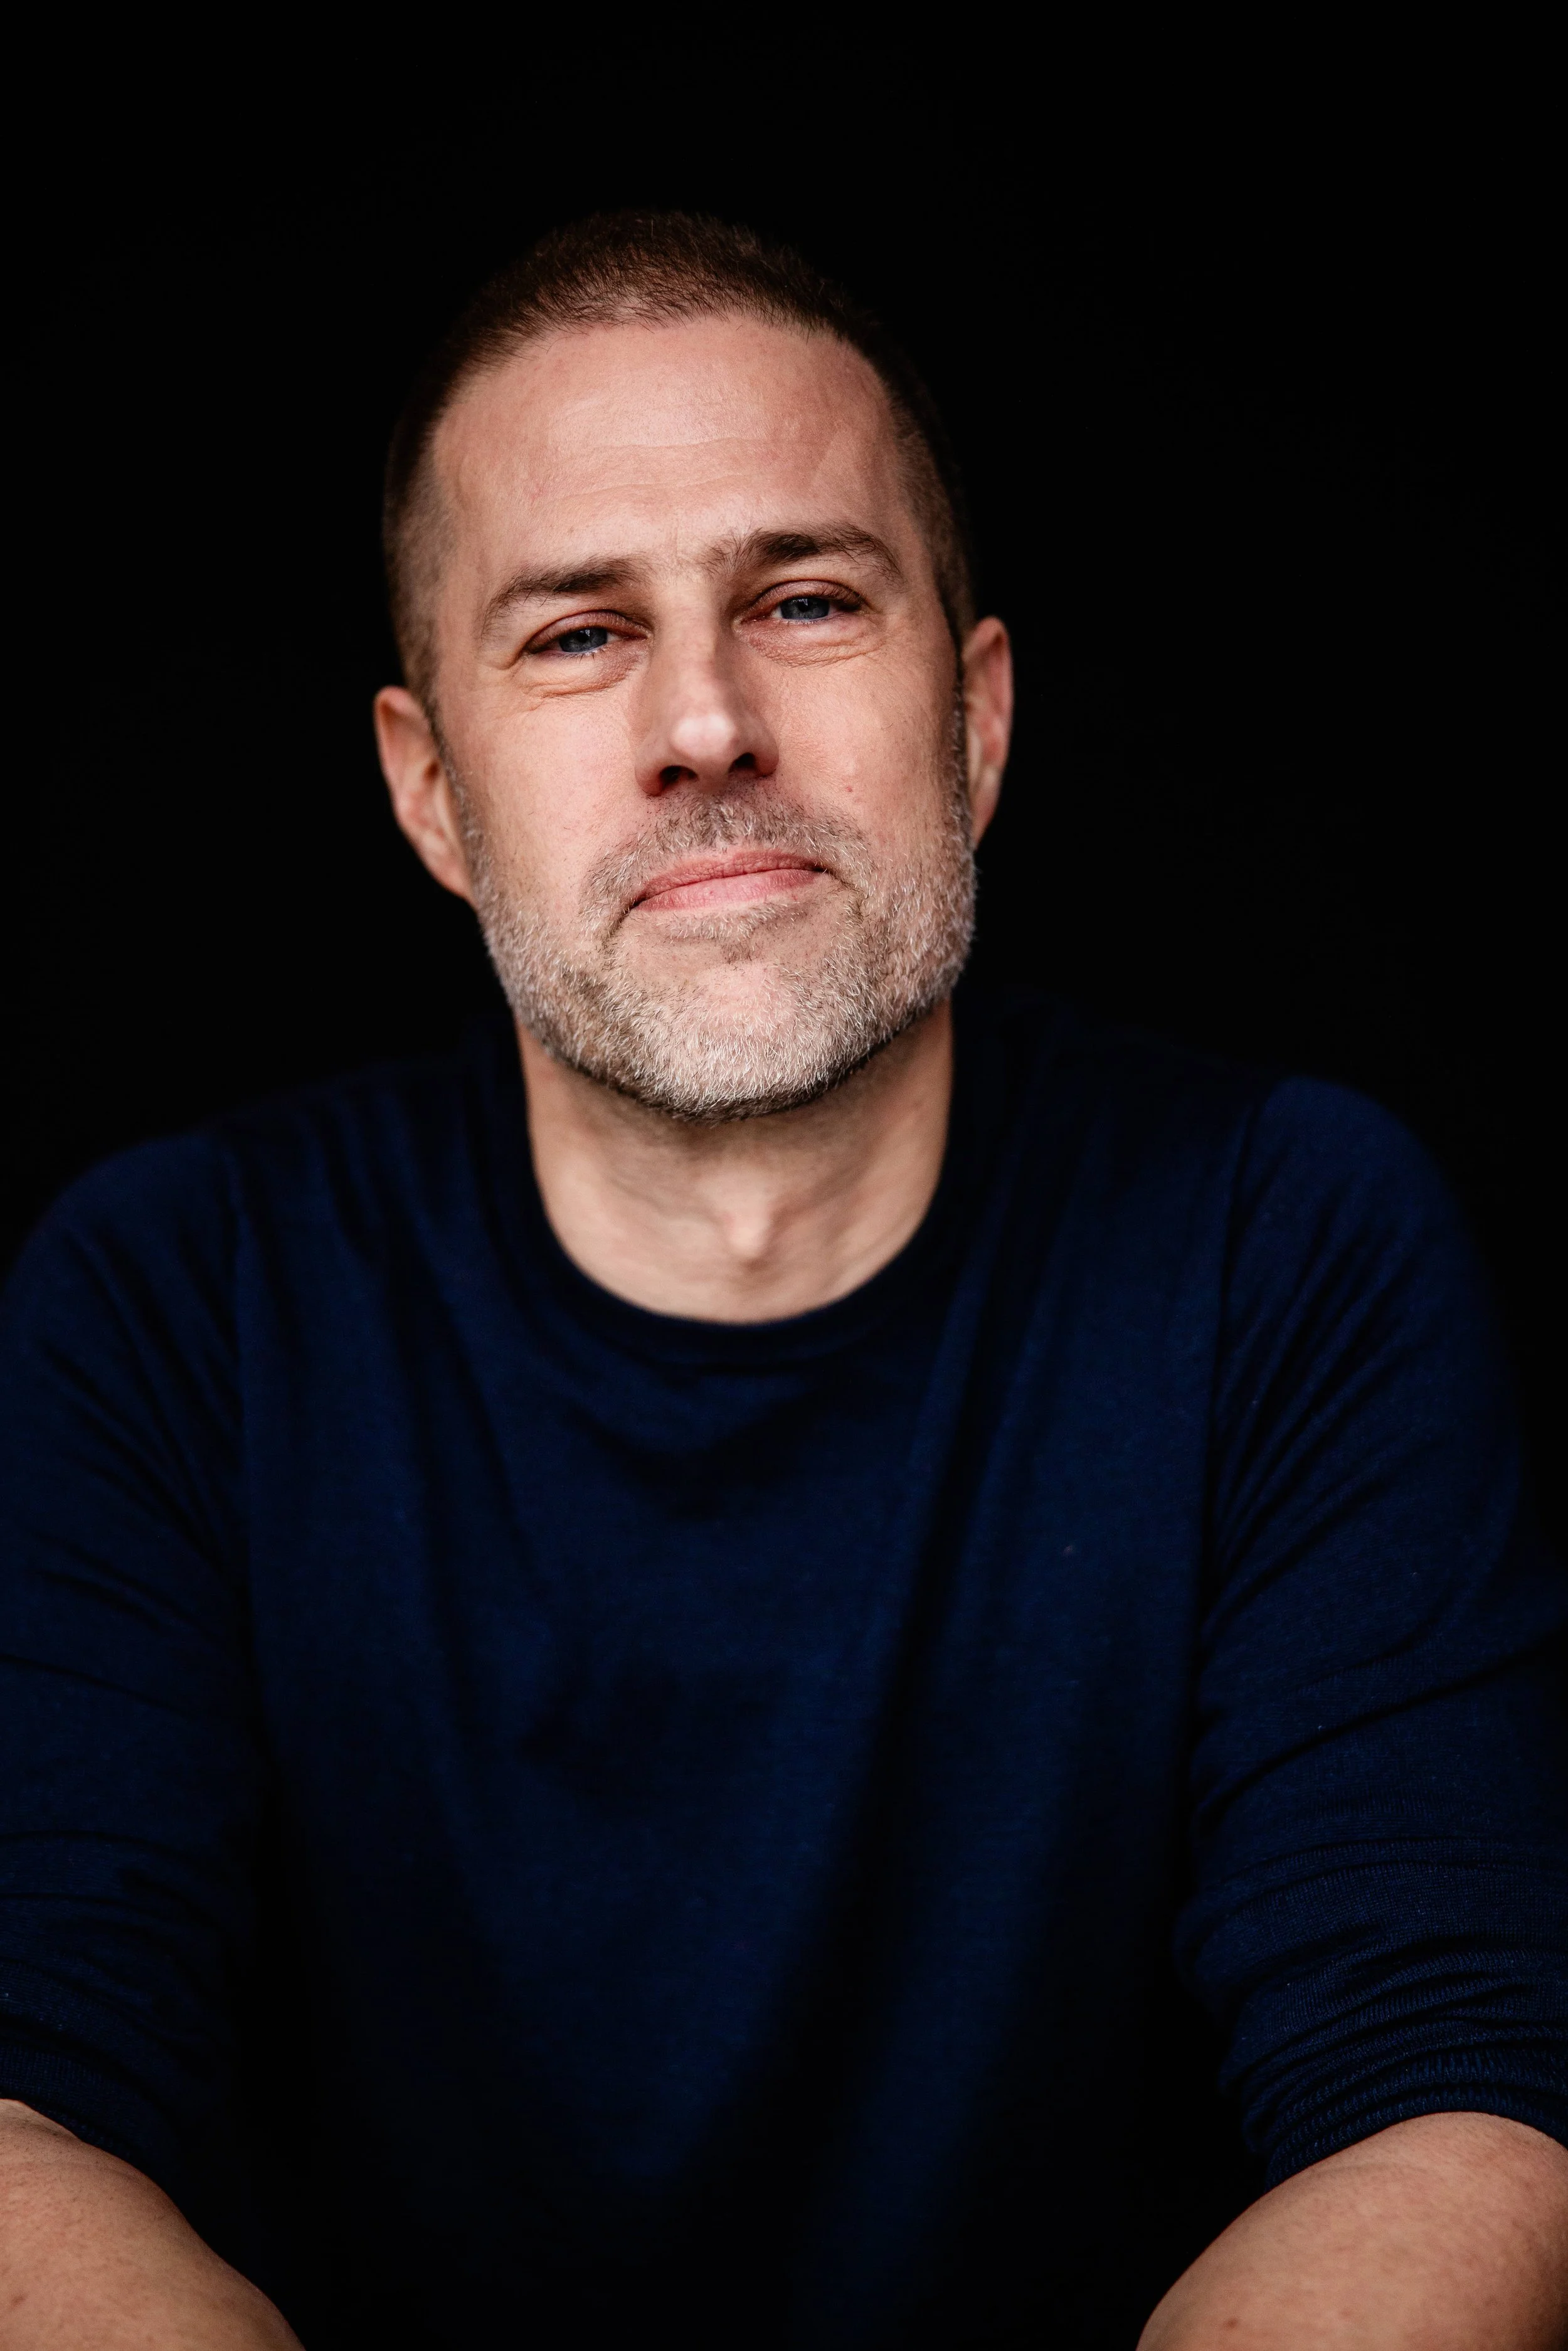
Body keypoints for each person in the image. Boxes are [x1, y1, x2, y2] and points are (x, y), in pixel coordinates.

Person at [1, 212, 1565, 2351]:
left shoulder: (1282, 1238)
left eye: (804, 599)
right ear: (432, 791)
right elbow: (19, 2097)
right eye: (575, 636)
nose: (706, 723)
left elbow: (1455, 2097)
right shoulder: (177, 1299)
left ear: (978, 714)